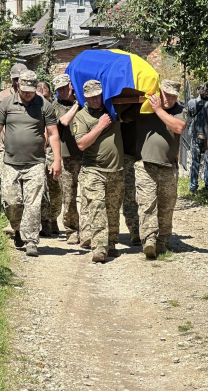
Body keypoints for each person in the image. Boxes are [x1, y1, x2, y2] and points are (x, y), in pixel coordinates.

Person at [0, 70, 62, 257]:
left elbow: (53, 134)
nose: (28, 93)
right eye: (24, 89)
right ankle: (18, 228)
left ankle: (31, 241)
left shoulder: (45, 105)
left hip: (35, 162)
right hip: (10, 161)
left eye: (31, 90)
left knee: (33, 203)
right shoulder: (6, 104)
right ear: (18, 85)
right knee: (11, 201)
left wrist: (57, 160)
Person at [122, 80, 187, 259]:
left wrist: (158, 110)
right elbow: (122, 115)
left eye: (174, 96)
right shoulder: (144, 108)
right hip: (144, 164)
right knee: (146, 203)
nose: (170, 99)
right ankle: (149, 240)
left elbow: (179, 127)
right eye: (167, 95)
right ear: (159, 92)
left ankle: (162, 241)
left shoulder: (179, 111)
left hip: (168, 166)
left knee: (166, 207)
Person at [74, 80, 124, 263]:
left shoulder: (113, 108)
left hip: (116, 169)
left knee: (112, 209)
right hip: (93, 170)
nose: (95, 99)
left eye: (98, 95)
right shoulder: (81, 116)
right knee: (97, 207)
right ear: (85, 97)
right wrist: (101, 125)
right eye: (91, 97)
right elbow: (81, 144)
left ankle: (110, 245)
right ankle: (99, 247)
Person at [0, 62, 27, 236]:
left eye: (21, 79)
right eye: (16, 79)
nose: (18, 83)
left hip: (29, 153)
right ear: (11, 80)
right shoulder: (2, 98)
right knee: (9, 191)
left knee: (28, 191)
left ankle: (26, 227)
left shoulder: (35, 97)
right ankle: (15, 223)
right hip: (6, 150)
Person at [52, 73, 84, 245]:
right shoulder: (54, 106)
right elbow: (63, 121)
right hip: (67, 157)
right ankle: (72, 230)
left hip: (86, 155)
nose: (63, 92)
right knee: (69, 197)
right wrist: (76, 106)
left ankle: (87, 230)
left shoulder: (85, 101)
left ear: (71, 85)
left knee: (88, 195)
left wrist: (80, 102)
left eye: (65, 87)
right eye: (59, 90)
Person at [36, 80, 61, 237]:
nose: (43, 99)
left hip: (53, 153)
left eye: (46, 95)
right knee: (41, 189)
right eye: (40, 96)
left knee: (56, 190)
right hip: (37, 153)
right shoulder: (32, 109)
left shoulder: (55, 108)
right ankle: (45, 222)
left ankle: (53, 218)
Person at [187, 83, 208, 192]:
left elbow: (190, 115)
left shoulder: (191, 103)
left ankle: (193, 186)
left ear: (198, 91)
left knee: (195, 161)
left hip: (196, 135)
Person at [121, 121, 140, 244]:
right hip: (126, 153)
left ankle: (148, 229)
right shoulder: (121, 105)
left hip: (146, 155)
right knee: (129, 194)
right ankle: (134, 229)